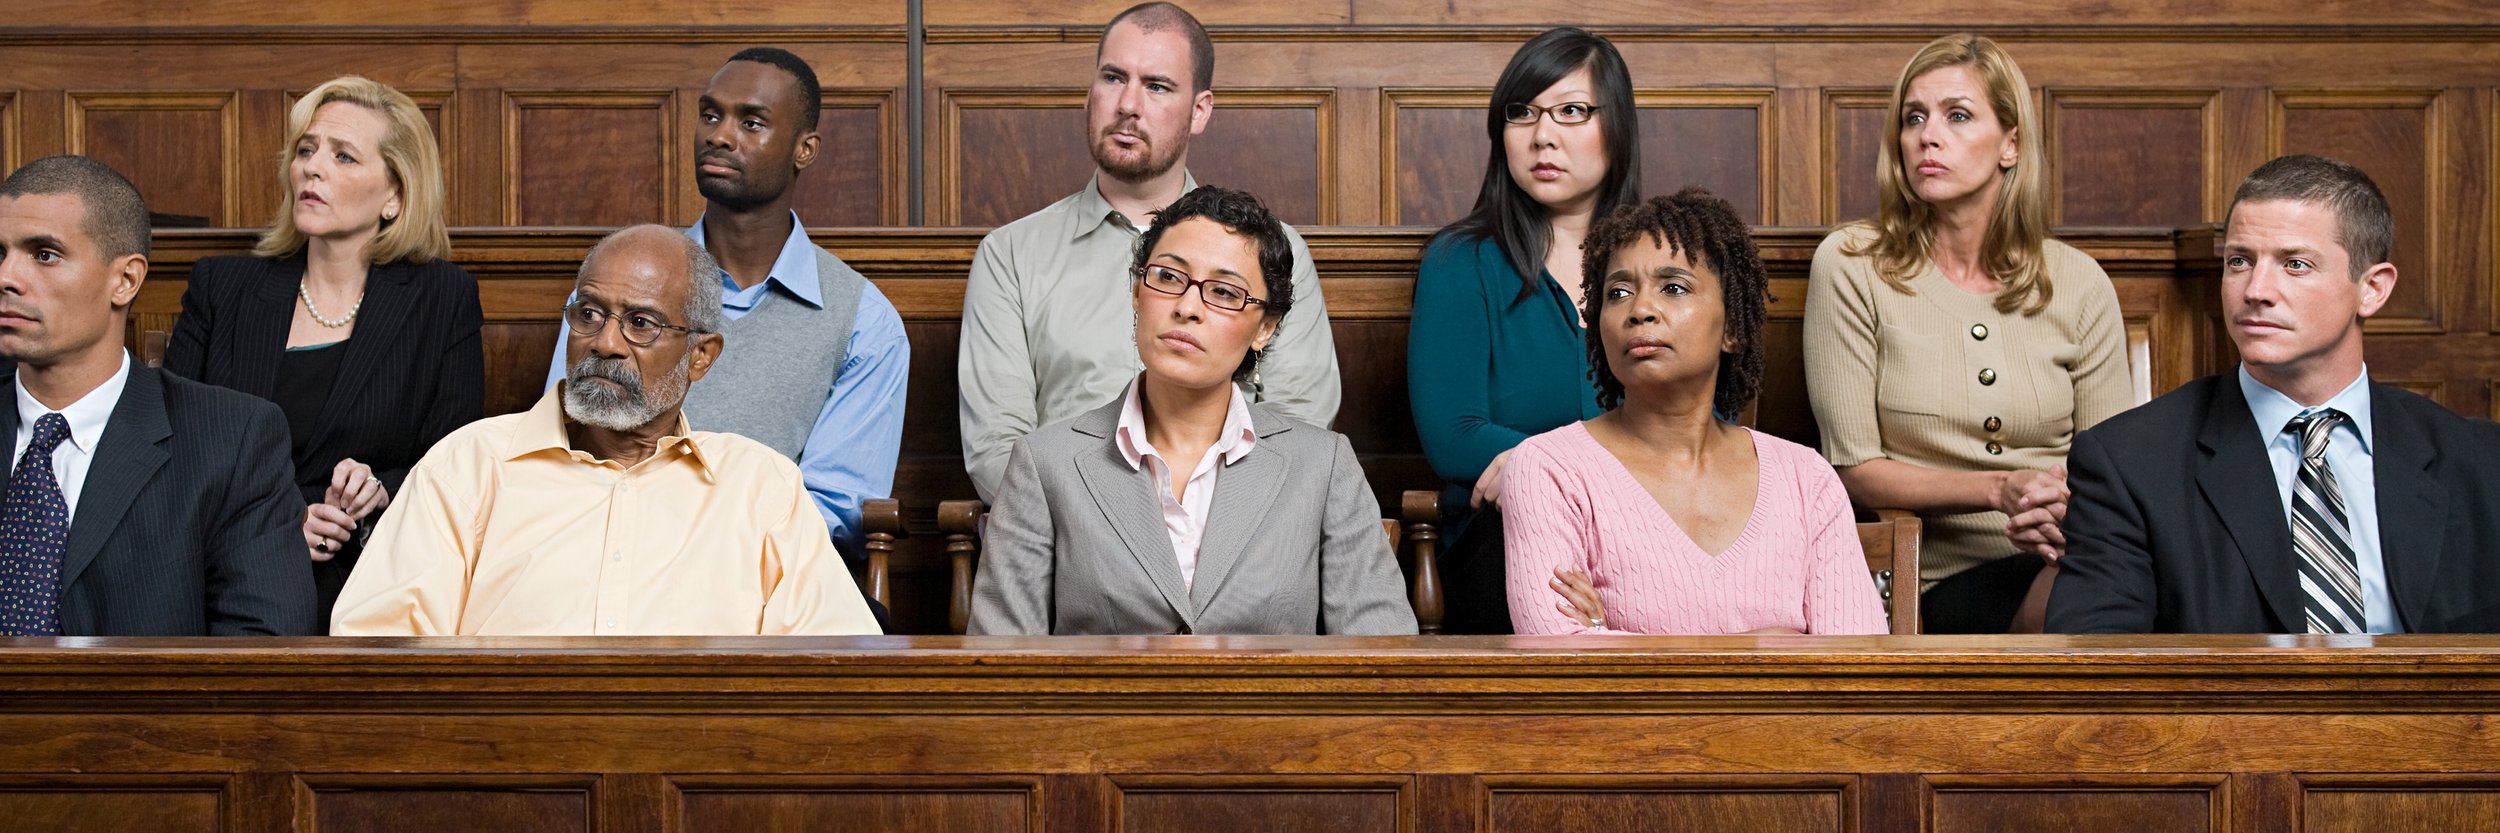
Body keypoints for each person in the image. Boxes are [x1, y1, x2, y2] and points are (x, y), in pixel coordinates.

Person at [334, 226, 881, 635]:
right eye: (590, 314)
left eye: (640, 324)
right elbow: (380, 655)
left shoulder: (763, 489)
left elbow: (829, 672)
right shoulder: (467, 467)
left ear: (701, 357)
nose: (606, 343)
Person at [2050, 155, 2500, 634]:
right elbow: (2095, 678)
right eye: (2240, 261)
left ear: (2372, 289)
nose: (2255, 290)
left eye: (2296, 264)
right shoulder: (2129, 464)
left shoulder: (2481, 463)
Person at [967, 187, 1415, 636]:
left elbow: (1385, 665)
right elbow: (998, 674)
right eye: (1166, 277)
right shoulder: (1044, 463)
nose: (1186, 307)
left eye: (1223, 292)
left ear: (1265, 327)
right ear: (1136, 293)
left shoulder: (1323, 464)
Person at [1802, 33, 2129, 633]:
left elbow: (2114, 470)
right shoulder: (1851, 263)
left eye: (1957, 116)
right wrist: (1999, 490)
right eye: (1914, 118)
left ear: (2010, 143)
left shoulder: (2078, 282)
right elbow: (1851, 467)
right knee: (2100, 601)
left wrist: (2056, 512)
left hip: (2068, 553)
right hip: (1927, 579)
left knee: (2141, 579)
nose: (1928, 135)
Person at [958, 1, 1340, 503]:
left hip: (1233, 543)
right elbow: (996, 450)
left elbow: (1298, 426)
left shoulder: (1278, 250)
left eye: (1157, 86)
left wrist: (1190, 524)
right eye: (1114, 78)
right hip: (1068, 546)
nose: (1127, 105)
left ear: (1200, 109)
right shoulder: (1011, 255)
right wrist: (1120, 528)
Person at [544, 48, 908, 566]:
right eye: (711, 115)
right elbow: (560, 444)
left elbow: (833, 510)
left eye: (751, 122)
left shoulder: (864, 321)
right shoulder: (617, 284)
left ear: (805, 149)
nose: (719, 134)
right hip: (598, 555)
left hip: (758, 579)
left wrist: (695, 555)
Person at [163, 76, 483, 625]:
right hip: (220, 569)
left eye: (344, 157)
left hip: (365, 576)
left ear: (395, 195)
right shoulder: (222, 286)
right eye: (306, 150)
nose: (313, 167)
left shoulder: (442, 298)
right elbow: (173, 448)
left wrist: (378, 489)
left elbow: (453, 462)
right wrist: (282, 521)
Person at [1504, 189, 1888, 636]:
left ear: (1731, 329)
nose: (1640, 310)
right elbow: (1563, 662)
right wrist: (1768, 644)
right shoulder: (1549, 468)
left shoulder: (1806, 479)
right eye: (1618, 292)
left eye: (1673, 288)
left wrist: (1610, 636)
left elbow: (1852, 667)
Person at [0, 156, 314, 636]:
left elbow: (261, 658)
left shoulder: (232, 441)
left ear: (125, 280)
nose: (7, 277)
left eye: (44, 254)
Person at [1408, 26, 1640, 635]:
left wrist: (1535, 464)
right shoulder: (1462, 260)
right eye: (1523, 114)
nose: (1543, 136)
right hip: (1504, 546)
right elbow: (1453, 433)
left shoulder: (1665, 260)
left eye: (1571, 111)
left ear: (1615, 126)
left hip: (1646, 534)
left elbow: (1703, 428)